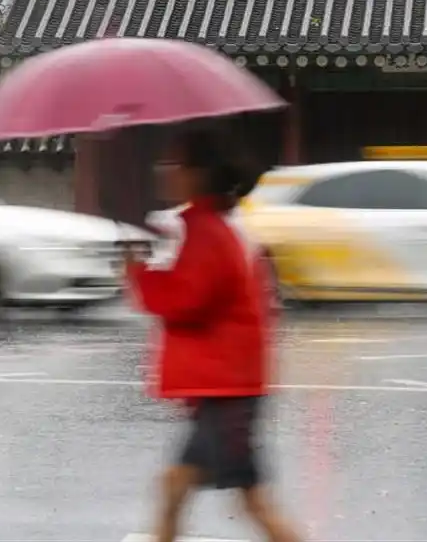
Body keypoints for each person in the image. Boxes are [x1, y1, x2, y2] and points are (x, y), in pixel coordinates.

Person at [123, 124, 302, 542]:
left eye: (176, 163)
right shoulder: (213, 226)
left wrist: (138, 275)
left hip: (228, 392)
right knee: (176, 487)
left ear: (198, 173)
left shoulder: (207, 233)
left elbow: (186, 302)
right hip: (225, 387)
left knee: (250, 500)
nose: (166, 171)